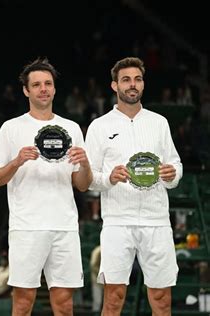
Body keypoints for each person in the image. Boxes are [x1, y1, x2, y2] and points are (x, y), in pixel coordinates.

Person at [0, 57, 92, 315]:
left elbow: (82, 184)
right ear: (26, 90)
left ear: (55, 88)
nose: (43, 88)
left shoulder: (71, 128)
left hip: (64, 226)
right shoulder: (11, 128)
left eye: (48, 83)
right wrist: (16, 161)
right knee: (23, 303)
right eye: (36, 84)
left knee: (64, 304)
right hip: (26, 227)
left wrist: (86, 164)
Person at [84, 57, 182, 316]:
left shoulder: (159, 122)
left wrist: (172, 174)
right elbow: (88, 177)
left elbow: (175, 165)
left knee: (161, 299)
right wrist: (109, 178)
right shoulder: (99, 126)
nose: (132, 85)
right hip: (117, 221)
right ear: (114, 85)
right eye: (126, 79)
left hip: (157, 219)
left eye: (137, 79)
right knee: (114, 298)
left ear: (143, 84)